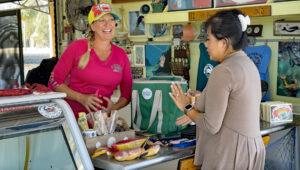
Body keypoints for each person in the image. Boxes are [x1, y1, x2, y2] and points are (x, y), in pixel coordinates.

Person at [169, 9, 265, 169]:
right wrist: (198, 106)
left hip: (231, 155)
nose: (206, 45)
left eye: (209, 39)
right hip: (249, 151)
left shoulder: (223, 70)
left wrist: (186, 107)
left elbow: (211, 125)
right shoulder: (247, 64)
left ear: (224, 42)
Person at [48, 3, 132, 121]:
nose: (108, 24)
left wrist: (114, 107)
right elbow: (54, 81)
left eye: (111, 20)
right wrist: (81, 98)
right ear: (93, 26)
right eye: (102, 20)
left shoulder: (121, 55)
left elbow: (127, 92)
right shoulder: (76, 47)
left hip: (102, 124)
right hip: (72, 121)